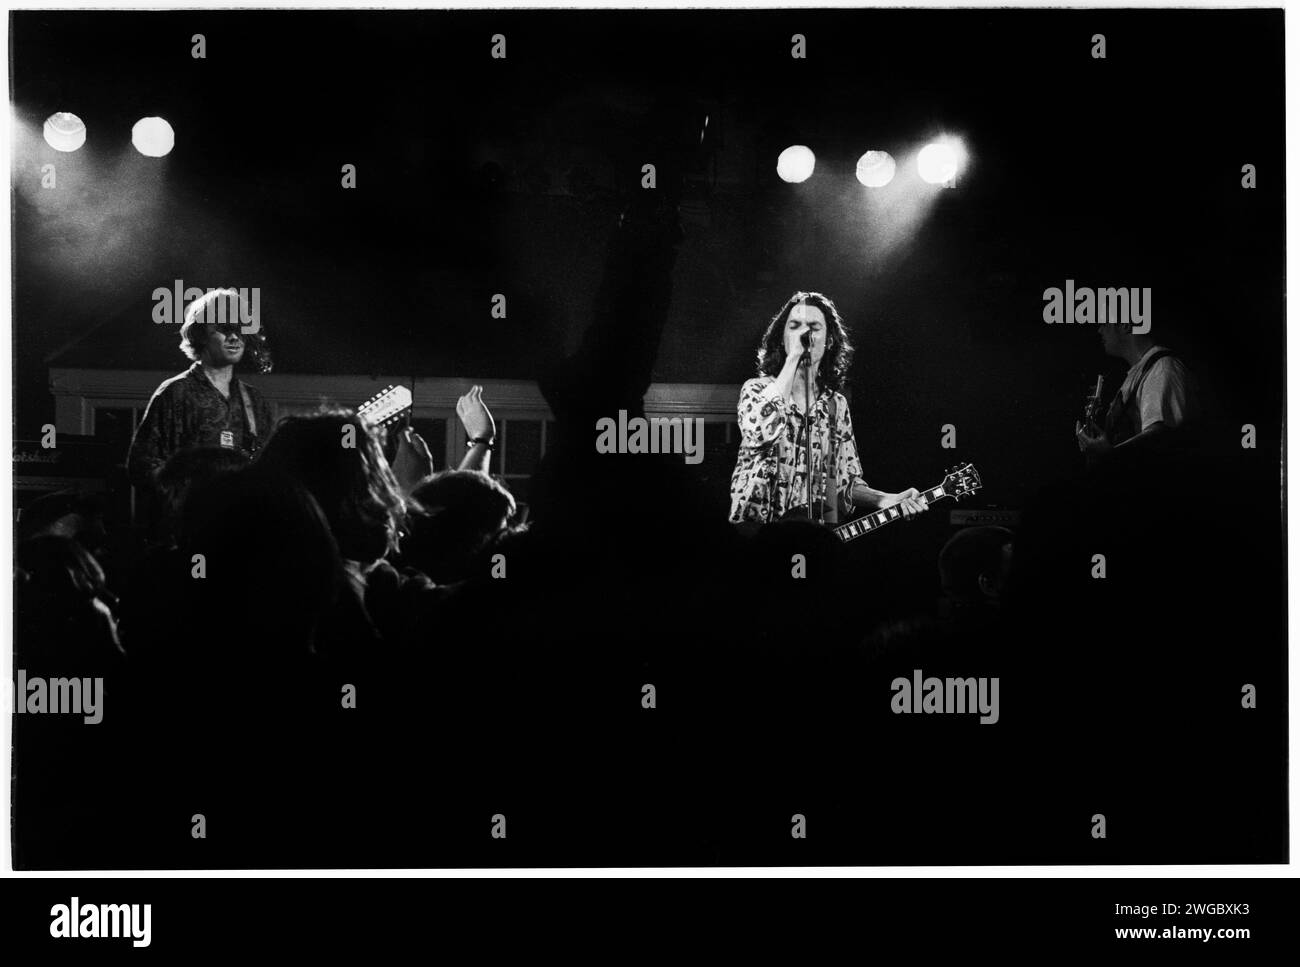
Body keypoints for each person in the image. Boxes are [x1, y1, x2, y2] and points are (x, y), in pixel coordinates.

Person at [728, 291, 927, 526]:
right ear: (783, 337)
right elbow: (761, 432)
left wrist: (886, 499)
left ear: (829, 339)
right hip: (758, 536)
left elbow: (844, 483)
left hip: (812, 536)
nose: (804, 333)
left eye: (813, 326)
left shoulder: (836, 405)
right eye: (794, 326)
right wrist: (793, 358)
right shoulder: (756, 390)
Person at [127, 288, 275, 495]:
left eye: (241, 329)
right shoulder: (176, 392)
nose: (234, 337)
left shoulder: (255, 401)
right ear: (200, 334)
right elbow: (142, 468)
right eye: (224, 328)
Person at [1075, 304, 1195, 461]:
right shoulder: (1141, 372)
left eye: (1104, 324)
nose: (1099, 330)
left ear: (1125, 325)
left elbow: (1160, 439)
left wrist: (1109, 455)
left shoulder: (1162, 368)